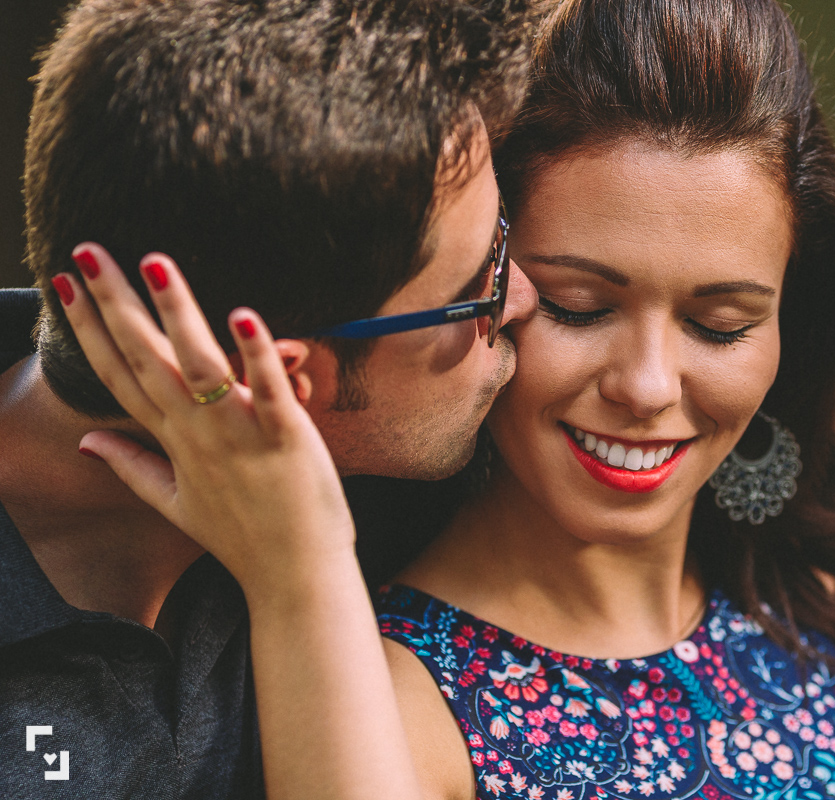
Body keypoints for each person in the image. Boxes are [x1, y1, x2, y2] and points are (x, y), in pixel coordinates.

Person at [60, 0, 835, 798]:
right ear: (486, 290)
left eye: (722, 324)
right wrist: (299, 565)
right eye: (577, 305)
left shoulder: (801, 618)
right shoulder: (389, 695)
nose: (649, 384)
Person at [0, 0, 537, 797]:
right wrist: (304, 575)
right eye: (480, 284)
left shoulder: (453, 492)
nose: (523, 299)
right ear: (279, 384)